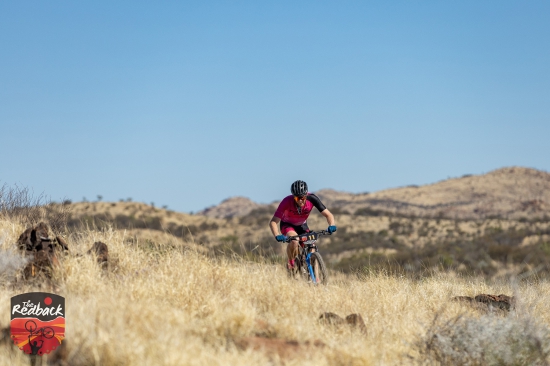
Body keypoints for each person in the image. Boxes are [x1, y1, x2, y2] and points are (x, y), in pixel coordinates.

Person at [269, 180, 337, 272]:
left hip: (302, 226)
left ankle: (316, 279)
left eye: (303, 198)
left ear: (306, 195)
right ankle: (291, 262)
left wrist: (331, 225)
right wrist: (277, 235)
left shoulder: (312, 198)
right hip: (287, 225)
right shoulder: (286, 201)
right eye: (297, 198)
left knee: (312, 247)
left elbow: (329, 215)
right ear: (293, 197)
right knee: (295, 241)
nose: (301, 200)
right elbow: (273, 222)